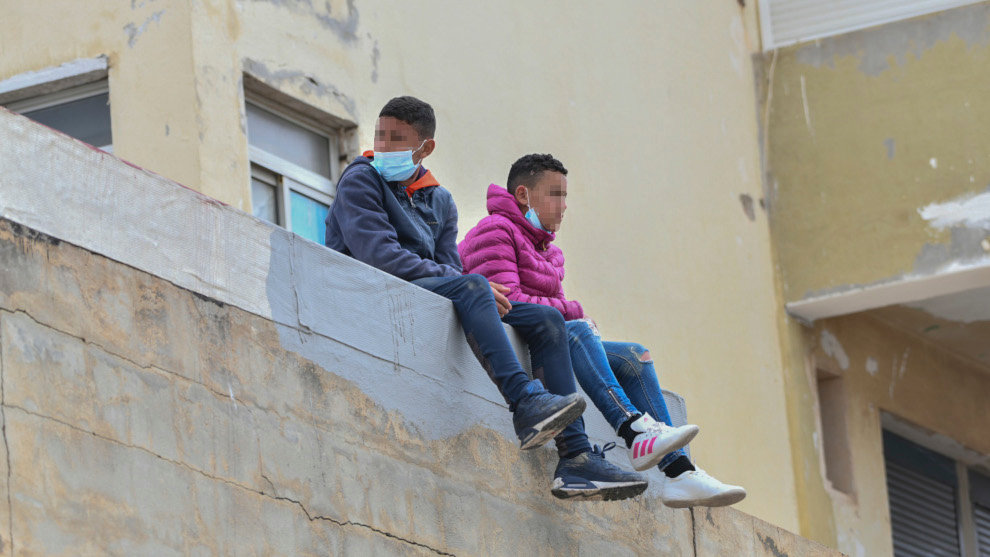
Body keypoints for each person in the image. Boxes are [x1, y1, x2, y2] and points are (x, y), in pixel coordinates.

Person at [325, 97, 646, 500]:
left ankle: (577, 459)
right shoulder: (361, 178)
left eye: (398, 140)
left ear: (426, 148)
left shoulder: (439, 200)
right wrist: (468, 284)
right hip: (372, 289)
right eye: (380, 136)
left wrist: (466, 286)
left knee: (549, 322)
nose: (384, 147)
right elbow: (379, 255)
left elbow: (449, 269)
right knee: (475, 286)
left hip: (426, 294)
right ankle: (525, 402)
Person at [457, 153, 747, 508]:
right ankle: (633, 429)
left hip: (550, 339)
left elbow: (553, 312)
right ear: (523, 195)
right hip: (511, 338)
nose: (564, 206)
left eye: (566, 196)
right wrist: (574, 312)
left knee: (633, 356)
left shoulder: (549, 251)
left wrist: (571, 317)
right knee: (577, 328)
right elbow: (510, 303)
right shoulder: (495, 230)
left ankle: (681, 474)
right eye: (555, 194)